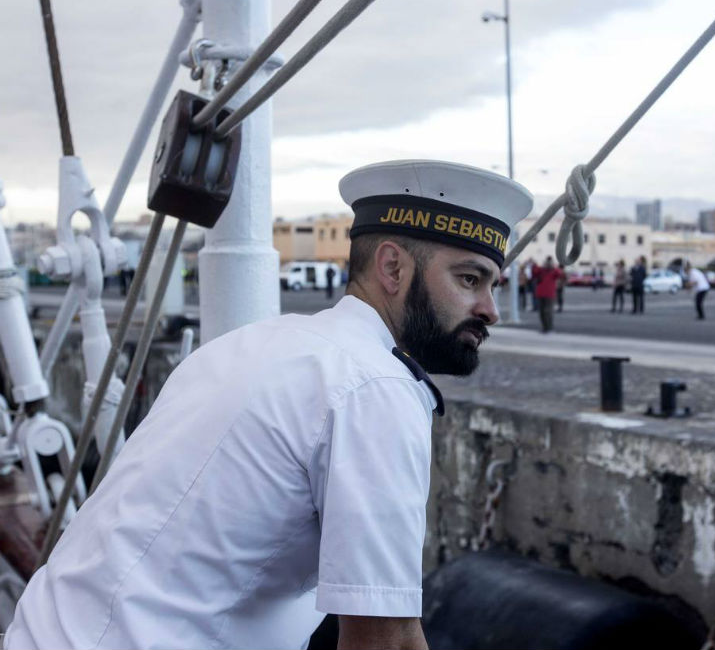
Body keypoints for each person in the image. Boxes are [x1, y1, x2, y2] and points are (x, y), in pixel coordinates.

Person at [5, 160, 533, 650]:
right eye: (469, 279)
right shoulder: (376, 387)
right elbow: (386, 638)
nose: (489, 309)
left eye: (491, 285)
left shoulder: (248, 345)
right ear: (392, 268)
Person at [534, 256, 563, 333]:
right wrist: (545, 266)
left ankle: (547, 327)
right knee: (545, 311)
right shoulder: (544, 270)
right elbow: (534, 272)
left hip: (545, 293)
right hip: (546, 293)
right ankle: (547, 327)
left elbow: (559, 274)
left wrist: (549, 266)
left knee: (546, 311)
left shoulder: (550, 270)